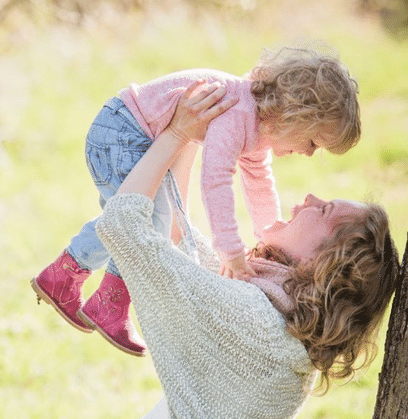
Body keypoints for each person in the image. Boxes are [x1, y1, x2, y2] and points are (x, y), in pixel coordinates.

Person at [31, 46, 361, 356]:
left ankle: (67, 276)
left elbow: (259, 184)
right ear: (295, 114)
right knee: (143, 220)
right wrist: (230, 250)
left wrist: (268, 236)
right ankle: (107, 302)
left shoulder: (258, 128)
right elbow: (215, 181)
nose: (307, 153)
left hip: (131, 133)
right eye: (313, 142)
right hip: (122, 133)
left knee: (139, 217)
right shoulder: (240, 114)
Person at [94, 82, 399, 418]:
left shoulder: (256, 324)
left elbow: (123, 226)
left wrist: (176, 135)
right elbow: (179, 238)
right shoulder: (281, 321)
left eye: (325, 210)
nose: (311, 199)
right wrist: (200, 136)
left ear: (325, 263)